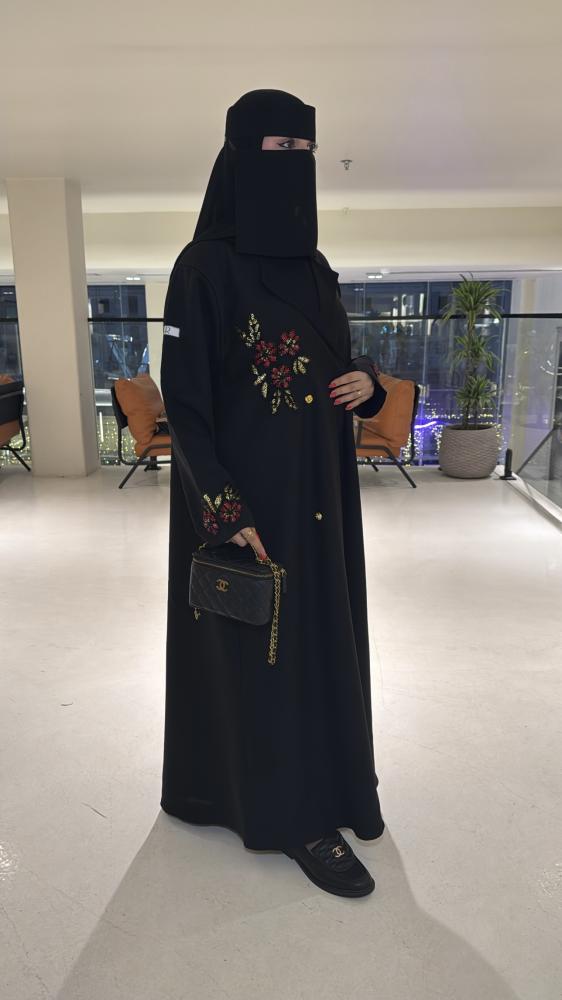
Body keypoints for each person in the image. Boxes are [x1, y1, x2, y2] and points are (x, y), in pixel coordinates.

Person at [159, 89, 388, 898]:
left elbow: (335, 361)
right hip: (253, 503)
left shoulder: (317, 269)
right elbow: (184, 403)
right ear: (238, 155)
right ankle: (289, 815)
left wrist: (369, 384)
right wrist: (224, 510)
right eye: (279, 147)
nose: (295, 162)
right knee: (266, 652)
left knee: (322, 639)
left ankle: (336, 785)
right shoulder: (202, 268)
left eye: (305, 149)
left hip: (322, 491)